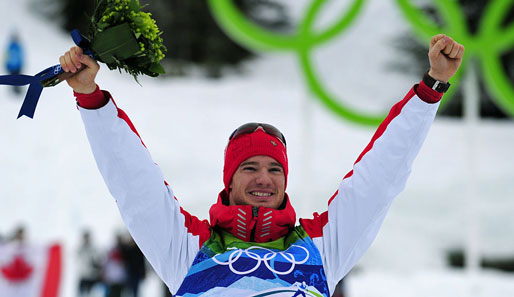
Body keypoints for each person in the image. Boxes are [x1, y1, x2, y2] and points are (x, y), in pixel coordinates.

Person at [58, 34, 464, 296]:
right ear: (229, 180)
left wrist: (432, 88)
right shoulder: (188, 249)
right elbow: (134, 182)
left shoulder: (322, 248)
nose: (264, 179)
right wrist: (90, 97)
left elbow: (380, 177)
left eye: (275, 169)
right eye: (249, 167)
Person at [76, 230, 102, 297]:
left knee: (92, 294)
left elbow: (98, 260)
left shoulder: (94, 249)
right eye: (85, 237)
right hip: (83, 276)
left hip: (92, 276)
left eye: (87, 237)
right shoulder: (80, 249)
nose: (86, 239)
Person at [3, 30, 25, 95]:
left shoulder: (18, 47)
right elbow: (7, 56)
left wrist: (21, 64)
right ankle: (14, 90)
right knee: (12, 79)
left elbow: (21, 56)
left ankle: (18, 90)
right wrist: (6, 64)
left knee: (18, 78)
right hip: (11, 66)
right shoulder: (10, 46)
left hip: (17, 66)